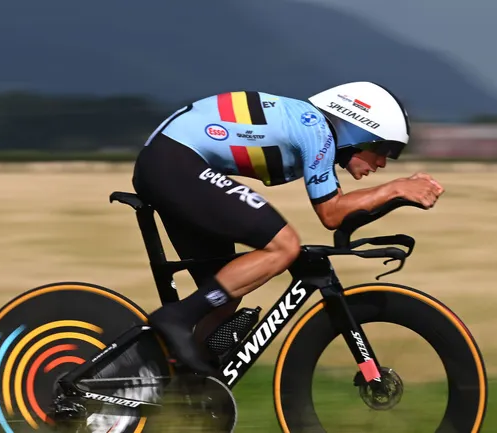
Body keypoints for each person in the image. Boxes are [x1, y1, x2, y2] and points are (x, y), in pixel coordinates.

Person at [131, 81, 444, 376]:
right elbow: (332, 214)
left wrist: (397, 197)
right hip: (175, 162)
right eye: (384, 149)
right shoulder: (316, 130)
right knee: (284, 245)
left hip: (171, 164)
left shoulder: (311, 126)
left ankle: (174, 382)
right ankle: (176, 318)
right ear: (359, 130)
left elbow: (343, 217)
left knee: (224, 294)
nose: (383, 164)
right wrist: (395, 189)